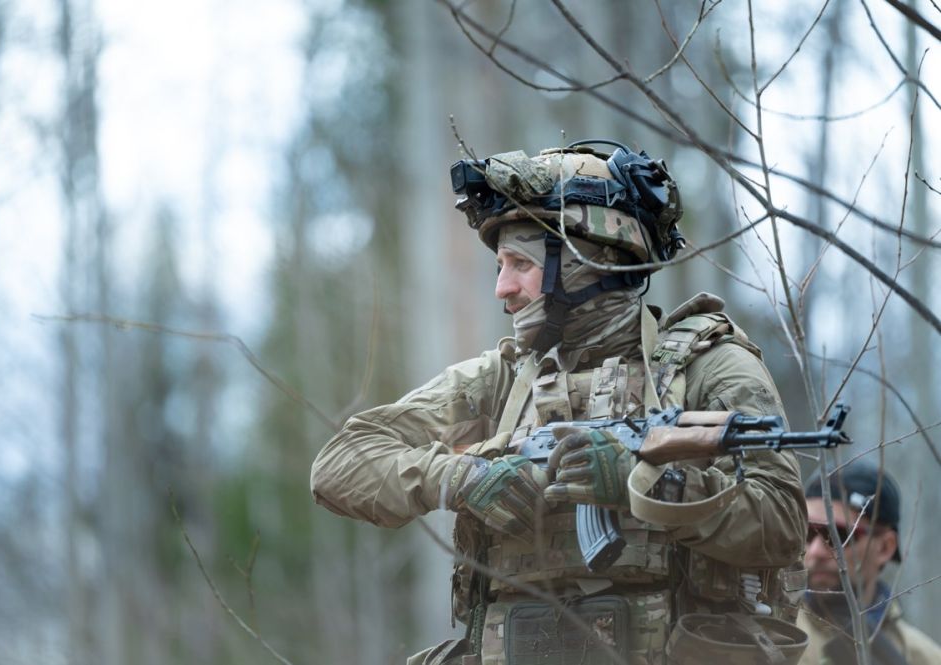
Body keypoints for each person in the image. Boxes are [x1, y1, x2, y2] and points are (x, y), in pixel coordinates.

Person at [311, 141, 809, 664]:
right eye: (500, 265)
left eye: (520, 264)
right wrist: (461, 479)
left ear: (587, 261)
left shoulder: (710, 366)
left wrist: (651, 483)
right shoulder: (501, 379)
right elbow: (339, 464)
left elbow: (783, 525)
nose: (503, 288)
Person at [799, 462, 941, 665]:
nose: (815, 551)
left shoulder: (924, 658)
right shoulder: (768, 637)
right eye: (807, 533)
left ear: (884, 548)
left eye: (838, 536)